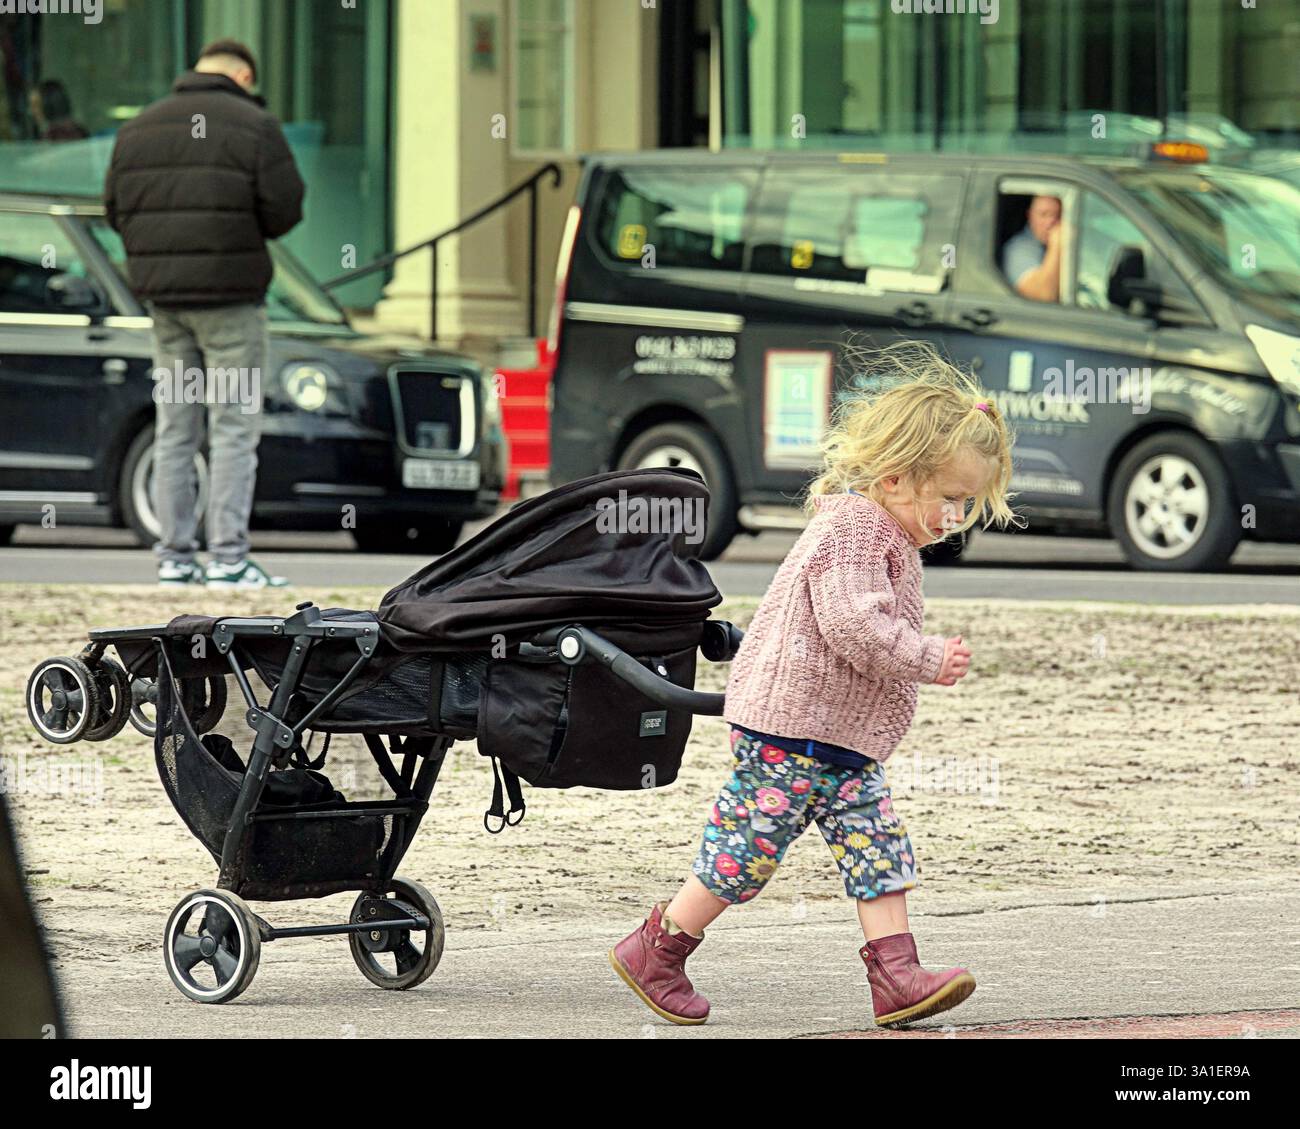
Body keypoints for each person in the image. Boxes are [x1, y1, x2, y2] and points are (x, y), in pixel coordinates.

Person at [609, 344, 1019, 1029]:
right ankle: (658, 948)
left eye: (969, 502)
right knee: (746, 850)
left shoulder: (887, 532)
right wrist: (926, 656)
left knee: (879, 846)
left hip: (840, 740)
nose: (958, 516)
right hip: (790, 732)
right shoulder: (856, 527)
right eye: (952, 498)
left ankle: (896, 975)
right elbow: (857, 625)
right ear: (894, 478)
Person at [104, 38, 304, 588]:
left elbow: (115, 211)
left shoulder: (139, 127)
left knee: (176, 428)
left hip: (166, 307)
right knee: (233, 429)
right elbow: (286, 208)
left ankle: (174, 557)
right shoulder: (254, 124)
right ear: (243, 76)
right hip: (231, 306)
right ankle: (229, 559)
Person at [1002, 194, 1063, 303]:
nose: (1050, 222)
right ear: (1030, 216)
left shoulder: (1047, 246)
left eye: (1057, 216)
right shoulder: (1018, 249)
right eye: (1044, 215)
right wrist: (1057, 244)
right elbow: (1043, 297)